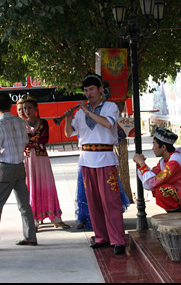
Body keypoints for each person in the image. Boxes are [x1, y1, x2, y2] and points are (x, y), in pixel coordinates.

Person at [64, 72, 126, 255]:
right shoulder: (81, 112)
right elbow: (69, 133)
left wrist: (87, 111)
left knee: (111, 201)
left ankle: (118, 239)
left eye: (91, 89)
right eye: (85, 90)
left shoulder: (110, 106)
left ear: (100, 90)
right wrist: (68, 119)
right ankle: (101, 237)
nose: (88, 93)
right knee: (93, 202)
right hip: (86, 159)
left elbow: (107, 124)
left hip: (105, 159)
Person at [0, 91, 37, 250]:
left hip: (5, 168)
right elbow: (25, 141)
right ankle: (30, 237)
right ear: (11, 105)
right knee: (24, 204)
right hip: (19, 165)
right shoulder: (19, 121)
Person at [21, 95, 70, 229]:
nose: (27, 111)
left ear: (36, 108)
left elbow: (44, 138)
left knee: (47, 185)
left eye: (29, 108)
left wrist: (29, 140)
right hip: (28, 160)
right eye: (24, 108)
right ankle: (34, 220)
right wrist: (32, 140)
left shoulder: (43, 123)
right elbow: (22, 140)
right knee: (31, 187)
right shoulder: (21, 124)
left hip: (41, 159)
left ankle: (55, 217)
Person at [133, 127, 181, 213]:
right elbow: (152, 178)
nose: (153, 148)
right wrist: (141, 164)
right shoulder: (164, 161)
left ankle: (178, 215)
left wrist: (142, 164)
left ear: (163, 147)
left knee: (161, 189)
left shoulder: (175, 161)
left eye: (154, 144)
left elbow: (152, 182)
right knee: (158, 188)